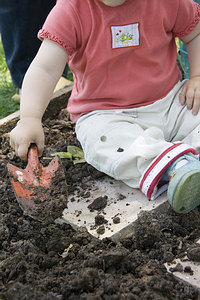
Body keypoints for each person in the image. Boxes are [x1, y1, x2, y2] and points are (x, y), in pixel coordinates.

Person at [9, 0, 200, 214]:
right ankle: (176, 167)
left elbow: (194, 33)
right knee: (100, 141)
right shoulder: (71, 10)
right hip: (107, 115)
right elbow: (45, 68)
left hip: (171, 101)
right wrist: (30, 118)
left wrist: (197, 77)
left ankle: (185, 160)